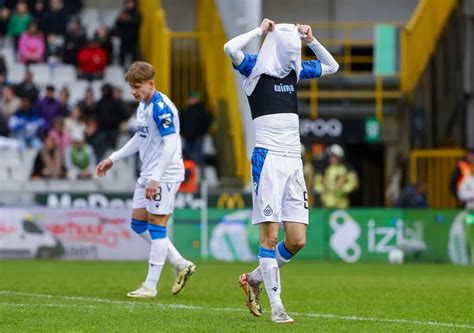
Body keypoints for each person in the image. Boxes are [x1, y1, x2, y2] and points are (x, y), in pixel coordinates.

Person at [224, 19, 339, 323]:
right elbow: (229, 47)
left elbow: (333, 66)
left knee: (297, 240)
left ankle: (254, 279)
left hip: (293, 161)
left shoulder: (295, 70)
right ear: (276, 44)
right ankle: (277, 307)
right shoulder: (254, 66)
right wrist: (259, 32)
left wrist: (312, 40)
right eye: (291, 47)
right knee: (270, 237)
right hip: (269, 159)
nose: (294, 53)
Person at [95, 61, 196, 298]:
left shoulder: (162, 108)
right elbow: (140, 139)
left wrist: (156, 178)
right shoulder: (143, 106)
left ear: (151, 83)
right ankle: (181, 264)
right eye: (131, 86)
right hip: (149, 173)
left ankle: (150, 287)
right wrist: (114, 158)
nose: (133, 91)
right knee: (138, 224)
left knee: (157, 227)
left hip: (164, 174)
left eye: (137, 86)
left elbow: (172, 143)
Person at [313, 144, 359, 209]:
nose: (333, 159)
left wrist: (343, 189)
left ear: (340, 157)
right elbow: (317, 183)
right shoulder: (324, 169)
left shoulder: (346, 169)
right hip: (326, 204)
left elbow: (353, 183)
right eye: (331, 157)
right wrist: (321, 189)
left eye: (335, 157)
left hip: (342, 204)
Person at [180, 91, 212, 167]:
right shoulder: (186, 110)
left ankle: (201, 175)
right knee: (188, 157)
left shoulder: (201, 110)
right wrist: (183, 133)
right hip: (187, 137)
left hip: (198, 138)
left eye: (193, 98)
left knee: (198, 156)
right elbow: (181, 122)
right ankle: (190, 174)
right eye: (191, 98)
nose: (191, 100)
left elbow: (207, 123)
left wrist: (201, 133)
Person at [115, 0, 140, 67]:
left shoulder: (136, 13)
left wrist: (128, 18)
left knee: (134, 58)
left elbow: (136, 22)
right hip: (124, 39)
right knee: (122, 56)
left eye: (130, 3)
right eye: (127, 3)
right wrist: (119, 18)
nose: (128, 4)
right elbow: (117, 24)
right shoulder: (123, 12)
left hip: (133, 39)